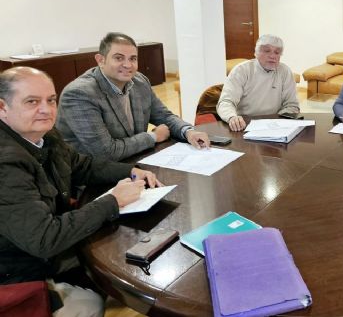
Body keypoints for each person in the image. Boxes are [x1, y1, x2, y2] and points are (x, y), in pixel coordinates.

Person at [0, 67, 161, 316]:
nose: (46, 109)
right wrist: (112, 201)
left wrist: (129, 171)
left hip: (51, 246)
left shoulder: (44, 133)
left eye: (51, 100)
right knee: (92, 303)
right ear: (2, 107)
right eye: (32, 101)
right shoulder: (6, 164)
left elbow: (81, 165)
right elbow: (44, 239)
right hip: (19, 271)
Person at [56, 33, 209, 161]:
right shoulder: (79, 94)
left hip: (132, 160)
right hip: (90, 178)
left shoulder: (139, 81)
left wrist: (188, 132)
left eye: (133, 58)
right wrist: (153, 137)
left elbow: (163, 116)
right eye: (119, 58)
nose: (128, 65)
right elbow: (105, 152)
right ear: (101, 60)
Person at [217, 35, 300, 132]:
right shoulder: (242, 70)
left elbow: (292, 104)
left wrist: (278, 121)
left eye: (277, 52)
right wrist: (232, 117)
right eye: (267, 51)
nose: (273, 56)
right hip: (244, 125)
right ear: (256, 53)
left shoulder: (284, 71)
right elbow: (226, 102)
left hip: (274, 126)